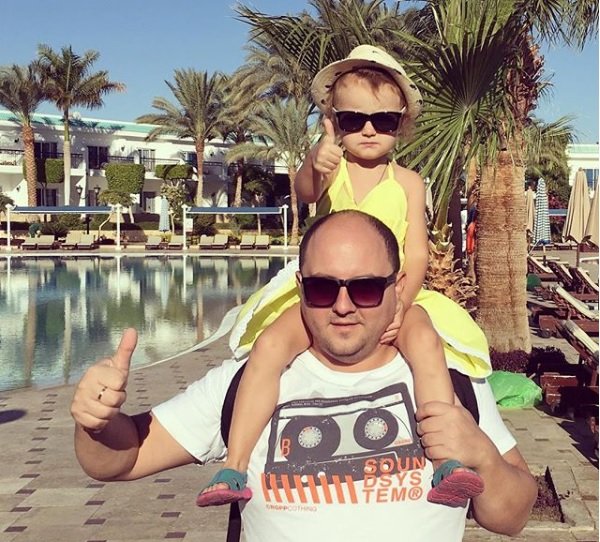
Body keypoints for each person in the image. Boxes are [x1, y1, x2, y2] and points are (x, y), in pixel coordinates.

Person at [70, 210, 537, 542]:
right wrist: (96, 423)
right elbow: (119, 461)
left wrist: (483, 457)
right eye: (322, 287)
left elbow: (513, 516)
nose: (343, 305)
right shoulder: (246, 383)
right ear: (299, 288)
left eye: (366, 288)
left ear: (398, 289)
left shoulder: (453, 383)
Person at [199, 45, 492, 508]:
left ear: (401, 125)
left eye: (384, 120)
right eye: (354, 119)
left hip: (390, 294)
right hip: (325, 293)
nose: (369, 130)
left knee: (425, 342)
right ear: (333, 122)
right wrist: (315, 161)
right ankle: (234, 465)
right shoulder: (328, 169)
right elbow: (304, 191)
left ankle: (447, 462)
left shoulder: (409, 183)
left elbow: (417, 253)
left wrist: (401, 304)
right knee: (272, 345)